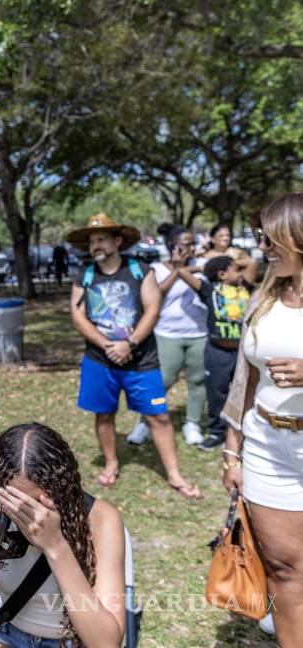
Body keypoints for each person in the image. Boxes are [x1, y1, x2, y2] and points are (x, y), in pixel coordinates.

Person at [0, 423, 125, 647]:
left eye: (34, 504)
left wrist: (56, 546)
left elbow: (107, 643)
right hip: (4, 630)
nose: (24, 516)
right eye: (12, 502)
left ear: (62, 489)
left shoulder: (101, 519)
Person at [67, 213, 200, 498]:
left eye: (101, 239)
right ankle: (112, 463)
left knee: (159, 417)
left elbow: (153, 309)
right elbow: (78, 316)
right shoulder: (85, 275)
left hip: (141, 359)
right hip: (100, 360)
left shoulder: (140, 270)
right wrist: (108, 345)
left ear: (117, 241)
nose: (96, 245)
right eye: (92, 241)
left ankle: (175, 474)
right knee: (104, 414)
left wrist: (129, 343)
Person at [220, 192, 303, 645]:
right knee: (285, 571)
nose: (263, 249)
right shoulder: (264, 298)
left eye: (272, 240)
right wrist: (233, 455)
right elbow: (244, 386)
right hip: (269, 447)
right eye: (261, 239)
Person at [128, 224, 209, 446]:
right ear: (172, 245)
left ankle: (192, 423)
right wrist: (178, 269)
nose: (191, 247)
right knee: (161, 382)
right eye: (186, 244)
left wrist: (189, 268)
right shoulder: (156, 269)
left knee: (198, 380)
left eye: (193, 243)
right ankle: (145, 422)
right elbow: (158, 294)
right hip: (167, 334)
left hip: (199, 333)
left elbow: (206, 293)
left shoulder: (202, 266)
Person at [176, 255, 253, 450]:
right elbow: (182, 272)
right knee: (217, 393)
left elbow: (251, 262)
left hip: (243, 353)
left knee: (246, 393)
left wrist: (235, 269)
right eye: (236, 269)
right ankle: (217, 433)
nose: (240, 272)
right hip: (217, 352)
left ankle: (246, 434)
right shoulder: (209, 290)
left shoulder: (245, 288)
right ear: (222, 274)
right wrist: (204, 267)